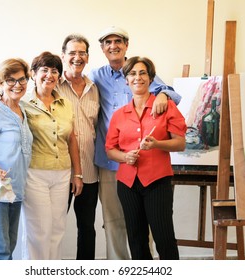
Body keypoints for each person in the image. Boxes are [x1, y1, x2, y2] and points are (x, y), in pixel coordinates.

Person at [88, 26, 182, 260]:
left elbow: (169, 92)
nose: (113, 46)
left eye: (118, 41)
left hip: (150, 168)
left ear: (126, 45)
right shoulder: (96, 76)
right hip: (114, 164)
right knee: (117, 223)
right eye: (107, 42)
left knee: (152, 228)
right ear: (102, 48)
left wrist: (163, 94)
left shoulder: (138, 69)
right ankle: (122, 266)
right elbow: (70, 83)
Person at [105, 56, 186, 260]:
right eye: (132, 74)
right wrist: (125, 157)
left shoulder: (166, 107)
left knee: (164, 237)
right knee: (136, 238)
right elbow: (110, 150)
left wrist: (157, 144)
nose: (137, 78)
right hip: (127, 184)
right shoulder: (119, 115)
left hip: (157, 181)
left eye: (142, 73)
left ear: (151, 78)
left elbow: (180, 143)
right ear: (126, 80)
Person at [21, 51, 83, 260]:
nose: (49, 75)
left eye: (54, 71)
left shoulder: (65, 104)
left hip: (63, 174)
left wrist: (78, 174)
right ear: (33, 74)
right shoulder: (22, 102)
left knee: (57, 228)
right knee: (39, 230)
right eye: (44, 70)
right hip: (35, 173)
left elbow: (72, 139)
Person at [0, 58, 33, 260]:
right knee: (0, 251)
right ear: (0, 84)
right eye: (10, 80)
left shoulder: (23, 110)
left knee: (9, 248)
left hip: (16, 190)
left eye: (22, 79)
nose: (17, 85)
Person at [58, 34, 100, 260]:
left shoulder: (95, 88)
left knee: (87, 227)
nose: (77, 57)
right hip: (61, 171)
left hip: (89, 171)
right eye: (72, 53)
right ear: (63, 56)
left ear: (87, 57)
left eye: (82, 53)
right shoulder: (50, 84)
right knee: (54, 227)